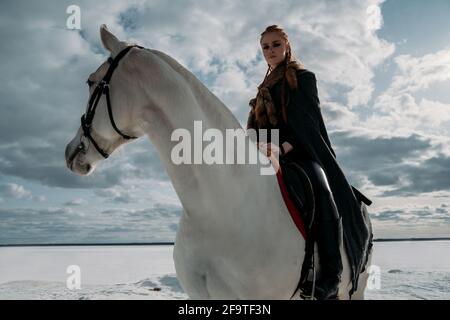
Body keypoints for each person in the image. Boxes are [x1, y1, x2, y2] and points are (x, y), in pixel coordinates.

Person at [247, 25, 348, 300]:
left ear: (287, 45)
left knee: (321, 187)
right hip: (266, 155)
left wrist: (284, 147)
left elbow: (309, 123)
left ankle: (331, 274)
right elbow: (255, 127)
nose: (270, 51)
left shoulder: (304, 78)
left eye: (275, 44)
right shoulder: (261, 90)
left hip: (301, 152)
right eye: (265, 47)